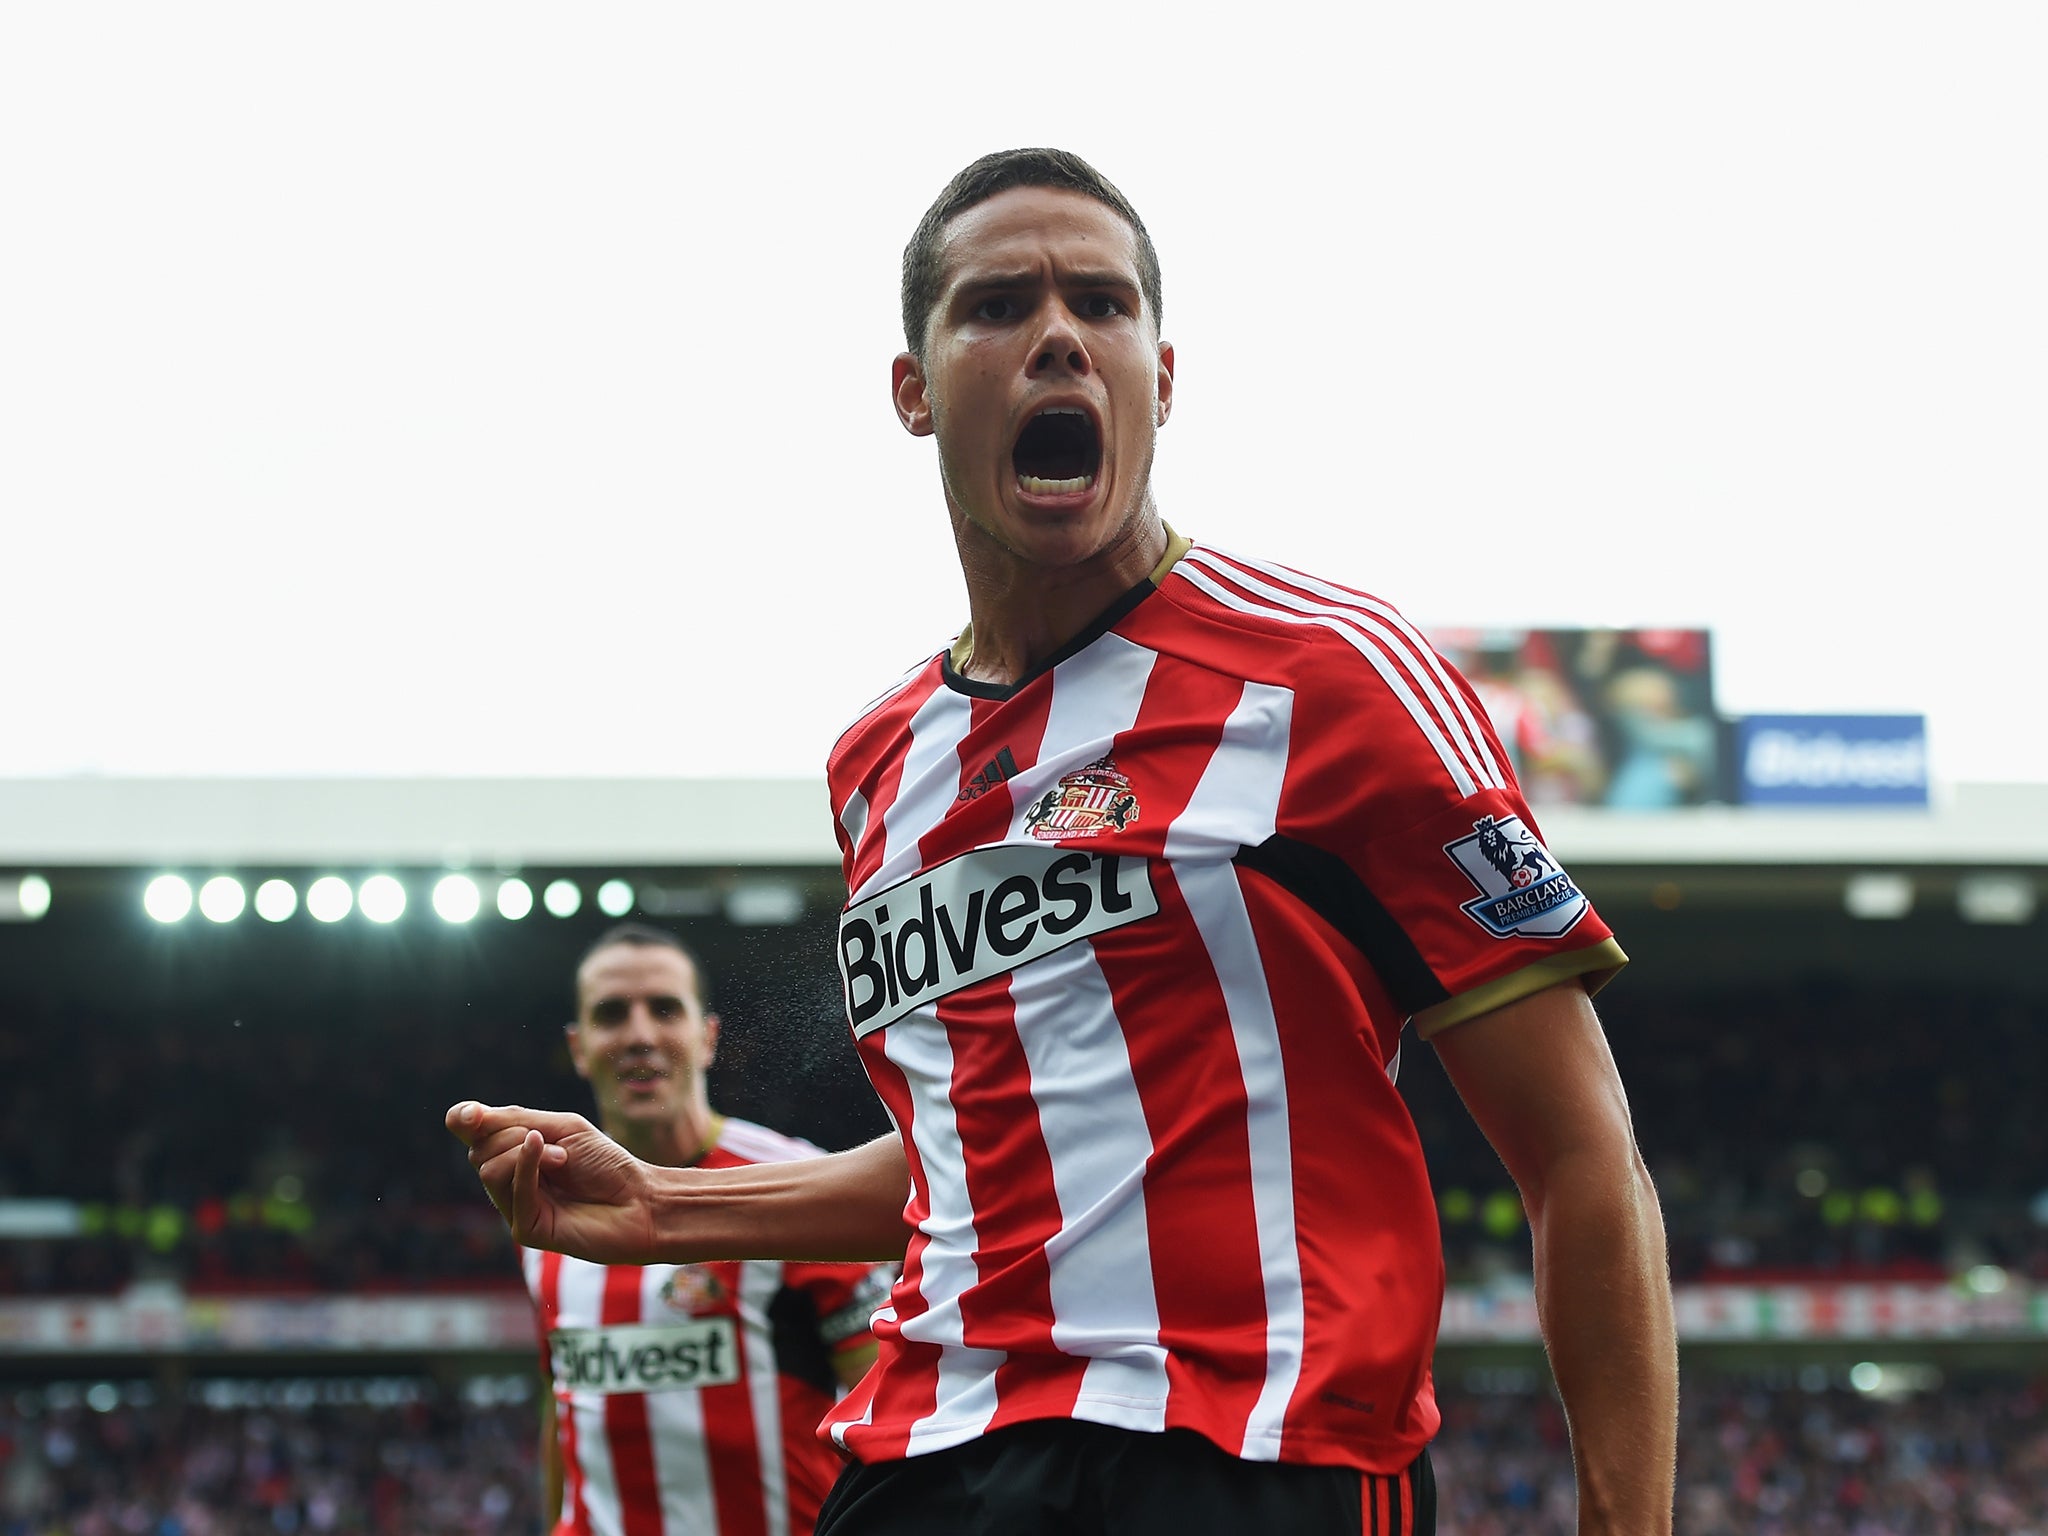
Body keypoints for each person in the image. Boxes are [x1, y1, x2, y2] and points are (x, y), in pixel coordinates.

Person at [451, 148, 1678, 1535]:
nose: (1056, 338)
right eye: (995, 307)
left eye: (1100, 304)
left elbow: (1582, 1156)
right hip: (926, 1458)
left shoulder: (1332, 680)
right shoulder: (878, 765)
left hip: (1249, 1455)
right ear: (913, 391)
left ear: (1163, 376)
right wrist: (671, 1209)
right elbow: (975, 1152)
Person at [527, 922, 893, 1536]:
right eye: (612, 1014)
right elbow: (561, 1408)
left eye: (665, 1009)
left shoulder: (795, 1182)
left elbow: (887, 1406)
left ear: (707, 1037)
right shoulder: (551, 1202)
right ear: (579, 1045)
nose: (640, 1034)